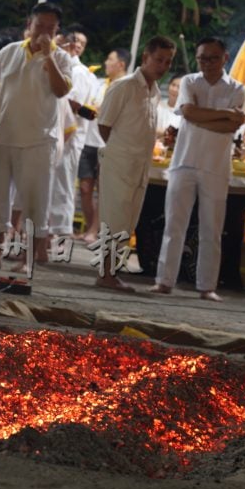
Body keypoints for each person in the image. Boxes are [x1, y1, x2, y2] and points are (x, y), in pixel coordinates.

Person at [150, 37, 245, 302]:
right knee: (174, 224)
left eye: (213, 58)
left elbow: (229, 127)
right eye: (202, 58)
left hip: (215, 166)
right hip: (184, 161)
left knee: (211, 229)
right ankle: (164, 280)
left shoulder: (237, 88)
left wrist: (210, 117)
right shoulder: (190, 81)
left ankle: (206, 286)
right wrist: (225, 114)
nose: (207, 63)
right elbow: (189, 113)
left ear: (225, 58)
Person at [0, 2, 72, 266]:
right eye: (39, 25)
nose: (43, 32)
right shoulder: (10, 52)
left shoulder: (62, 58)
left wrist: (48, 58)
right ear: (28, 25)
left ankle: (30, 258)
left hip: (38, 141)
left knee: (36, 203)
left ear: (57, 31)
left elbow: (61, 91)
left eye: (50, 28)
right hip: (3, 136)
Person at [94, 35, 176, 291]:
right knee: (114, 218)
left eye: (167, 62)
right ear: (145, 57)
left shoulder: (154, 91)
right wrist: (122, 151)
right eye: (158, 59)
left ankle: (112, 272)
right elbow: (104, 126)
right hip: (119, 162)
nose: (162, 66)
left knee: (128, 222)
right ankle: (105, 273)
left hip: (140, 165)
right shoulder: (124, 86)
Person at [77, 47, 129, 242]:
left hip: (107, 143)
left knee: (103, 189)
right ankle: (92, 227)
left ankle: (93, 231)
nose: (106, 63)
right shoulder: (99, 84)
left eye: (110, 59)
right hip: (89, 140)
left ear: (121, 64)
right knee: (84, 187)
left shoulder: (125, 86)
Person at [49, 26, 96, 238]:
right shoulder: (67, 68)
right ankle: (53, 231)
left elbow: (72, 103)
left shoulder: (78, 72)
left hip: (69, 134)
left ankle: (60, 232)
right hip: (62, 133)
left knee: (62, 184)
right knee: (57, 184)